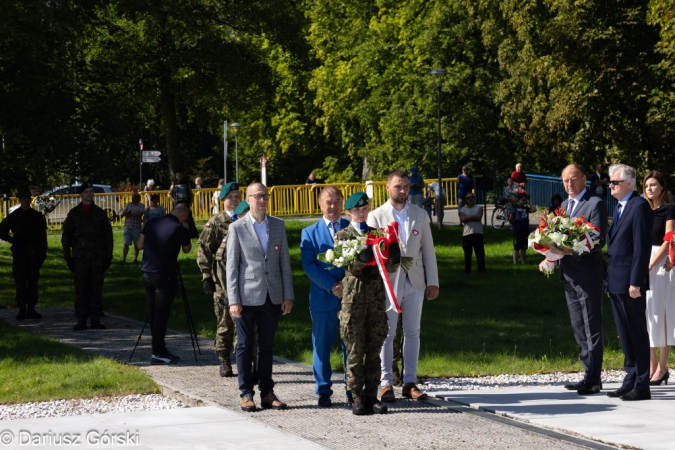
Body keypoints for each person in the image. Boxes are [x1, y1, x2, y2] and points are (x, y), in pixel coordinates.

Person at [367, 170, 439, 402]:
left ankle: (410, 381)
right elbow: (372, 253)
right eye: (398, 186)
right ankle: (386, 383)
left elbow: (428, 250)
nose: (403, 190)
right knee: (388, 333)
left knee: (412, 332)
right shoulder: (376, 216)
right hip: (388, 283)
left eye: (406, 186)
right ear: (387, 188)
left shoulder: (419, 214)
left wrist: (433, 281)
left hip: (415, 281)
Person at [226, 183, 295, 412]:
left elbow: (285, 262)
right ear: (248, 199)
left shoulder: (278, 225)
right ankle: (246, 392)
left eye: (265, 196)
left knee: (266, 346)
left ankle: (267, 392)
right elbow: (232, 267)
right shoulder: (237, 227)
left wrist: (288, 294)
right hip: (246, 296)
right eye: (257, 196)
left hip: (272, 295)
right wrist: (233, 300)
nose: (262, 200)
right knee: (245, 345)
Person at [545, 165, 607, 396]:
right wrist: (550, 256)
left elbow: (598, 239)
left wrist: (570, 251)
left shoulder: (595, 203)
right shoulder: (563, 206)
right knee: (579, 327)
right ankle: (587, 374)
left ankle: (594, 379)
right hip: (568, 274)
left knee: (592, 326)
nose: (568, 184)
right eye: (564, 181)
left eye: (572, 179)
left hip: (589, 274)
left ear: (583, 179)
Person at [337, 192, 400, 415]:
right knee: (355, 350)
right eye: (357, 210)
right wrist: (362, 257)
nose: (361, 213)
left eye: (365, 209)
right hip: (354, 302)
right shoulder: (343, 235)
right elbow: (348, 265)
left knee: (374, 350)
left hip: (375, 300)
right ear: (348, 213)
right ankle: (355, 397)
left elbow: (388, 269)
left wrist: (393, 256)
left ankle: (372, 396)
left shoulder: (378, 234)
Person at [605, 164, 653, 401]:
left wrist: (636, 281)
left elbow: (641, 249)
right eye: (610, 182)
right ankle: (630, 378)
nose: (610, 186)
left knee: (636, 333)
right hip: (616, 282)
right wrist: (608, 283)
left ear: (628, 184)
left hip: (630, 283)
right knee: (624, 334)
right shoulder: (621, 207)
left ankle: (642, 384)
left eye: (614, 182)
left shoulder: (639, 206)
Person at [300, 186, 350, 407]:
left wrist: (345, 284)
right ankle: (323, 390)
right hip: (322, 299)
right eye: (328, 202)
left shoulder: (352, 229)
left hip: (349, 298)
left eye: (337, 201)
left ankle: (353, 389)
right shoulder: (309, 233)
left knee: (351, 345)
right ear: (320, 204)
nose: (333, 206)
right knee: (321, 346)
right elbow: (309, 266)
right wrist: (332, 285)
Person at [136, 204, 192, 364]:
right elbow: (187, 250)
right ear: (184, 217)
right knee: (161, 315)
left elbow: (139, 245)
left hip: (147, 272)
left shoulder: (151, 223)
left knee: (154, 313)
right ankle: (158, 352)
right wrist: (185, 229)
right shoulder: (180, 229)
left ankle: (158, 348)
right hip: (165, 275)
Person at [197, 182, 240, 377]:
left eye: (238, 196)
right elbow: (204, 250)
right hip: (222, 282)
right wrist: (206, 276)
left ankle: (244, 359)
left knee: (244, 323)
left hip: (245, 281)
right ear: (223, 200)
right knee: (225, 322)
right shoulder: (216, 222)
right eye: (231, 197)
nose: (235, 199)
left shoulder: (246, 219)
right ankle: (224, 360)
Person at [61, 182, 113, 331]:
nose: (89, 194)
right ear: (81, 195)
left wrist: (108, 257)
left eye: (91, 191)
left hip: (97, 257)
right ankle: (81, 319)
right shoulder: (74, 213)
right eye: (86, 192)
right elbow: (66, 236)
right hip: (80, 257)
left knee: (96, 288)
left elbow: (107, 236)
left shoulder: (100, 213)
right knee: (81, 289)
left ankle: (95, 318)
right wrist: (68, 257)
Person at [642, 171, 675, 385]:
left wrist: (652, 264)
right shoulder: (643, 210)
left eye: (653, 185)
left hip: (662, 263)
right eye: (646, 186)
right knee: (647, 313)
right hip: (644, 261)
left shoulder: (669, 209)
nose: (649, 189)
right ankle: (651, 365)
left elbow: (669, 237)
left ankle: (662, 367)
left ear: (662, 187)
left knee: (664, 313)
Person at [0, 189, 47, 320]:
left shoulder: (37, 216)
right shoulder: (14, 216)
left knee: (32, 282)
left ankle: (31, 308)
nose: (26, 201)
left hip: (33, 253)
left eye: (28, 199)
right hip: (20, 253)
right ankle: (22, 308)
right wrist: (12, 240)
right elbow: (2, 230)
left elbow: (43, 237)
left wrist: (43, 253)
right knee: (20, 282)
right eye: (24, 199)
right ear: (20, 200)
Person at [459, 192, 485, 274]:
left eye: (472, 197)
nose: (470, 199)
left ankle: (481, 270)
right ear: (466, 200)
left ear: (474, 198)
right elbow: (463, 219)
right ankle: (467, 271)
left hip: (478, 233)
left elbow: (479, 217)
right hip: (467, 234)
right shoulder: (463, 209)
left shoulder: (479, 207)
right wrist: (473, 217)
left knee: (480, 253)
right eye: (468, 198)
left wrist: (468, 217)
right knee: (467, 254)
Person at [168, 172, 198, 239]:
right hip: (177, 205)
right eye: (178, 175)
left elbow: (191, 194)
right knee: (176, 219)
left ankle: (188, 234)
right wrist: (173, 200)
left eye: (181, 175)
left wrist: (191, 202)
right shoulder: (174, 184)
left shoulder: (187, 184)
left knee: (187, 220)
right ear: (176, 176)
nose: (179, 177)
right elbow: (169, 194)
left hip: (185, 204)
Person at [509, 193, 532, 264]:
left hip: (525, 229)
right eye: (522, 200)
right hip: (517, 229)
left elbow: (534, 209)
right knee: (516, 246)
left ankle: (523, 261)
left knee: (523, 247)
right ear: (518, 200)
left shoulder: (526, 208)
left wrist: (528, 203)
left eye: (525, 200)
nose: (524, 201)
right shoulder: (515, 208)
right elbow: (511, 218)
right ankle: (515, 262)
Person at [121, 193, 145, 263]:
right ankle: (124, 259)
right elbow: (123, 213)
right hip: (127, 226)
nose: (133, 198)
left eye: (135, 197)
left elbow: (139, 214)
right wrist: (133, 213)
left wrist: (129, 213)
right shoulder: (128, 204)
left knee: (136, 244)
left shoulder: (141, 205)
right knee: (126, 244)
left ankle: (135, 259)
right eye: (133, 197)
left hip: (136, 227)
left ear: (139, 198)